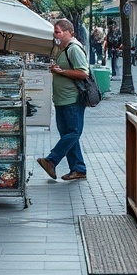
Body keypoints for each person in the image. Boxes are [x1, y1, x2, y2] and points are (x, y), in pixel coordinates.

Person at [37, 18, 89, 181]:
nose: (55, 35)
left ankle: (51, 160)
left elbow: (83, 73)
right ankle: (78, 168)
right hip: (61, 99)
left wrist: (60, 72)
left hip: (72, 98)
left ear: (69, 33)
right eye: (55, 32)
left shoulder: (74, 49)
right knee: (68, 134)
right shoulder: (62, 49)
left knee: (72, 132)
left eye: (58, 32)